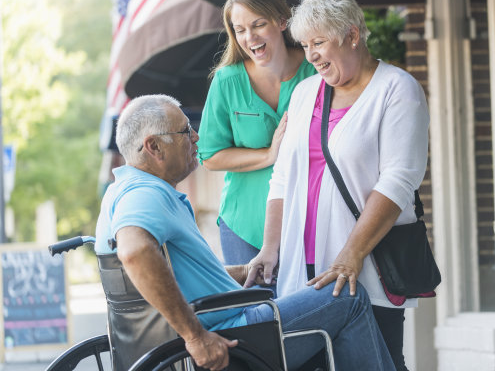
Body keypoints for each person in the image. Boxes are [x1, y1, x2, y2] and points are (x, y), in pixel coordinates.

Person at [95, 94, 395, 371]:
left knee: (299, 288)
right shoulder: (145, 194)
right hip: (234, 333)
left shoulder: (120, 190)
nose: (196, 137)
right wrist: (196, 337)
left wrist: (243, 271)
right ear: (154, 147)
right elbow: (134, 251)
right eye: (186, 132)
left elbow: (179, 274)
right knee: (346, 297)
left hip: (217, 322)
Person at [245, 0, 429, 371]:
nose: (310, 54)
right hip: (302, 274)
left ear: (352, 35)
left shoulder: (397, 90)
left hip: (367, 271)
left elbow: (399, 180)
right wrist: (270, 248)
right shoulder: (305, 92)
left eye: (319, 42)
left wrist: (352, 254)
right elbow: (282, 178)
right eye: (304, 44)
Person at [197, 0, 316, 265]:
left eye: (258, 24)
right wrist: (268, 155)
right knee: (255, 309)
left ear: (282, 21)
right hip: (244, 226)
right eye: (240, 30)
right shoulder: (227, 82)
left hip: (309, 220)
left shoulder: (315, 72)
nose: (249, 37)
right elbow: (209, 155)